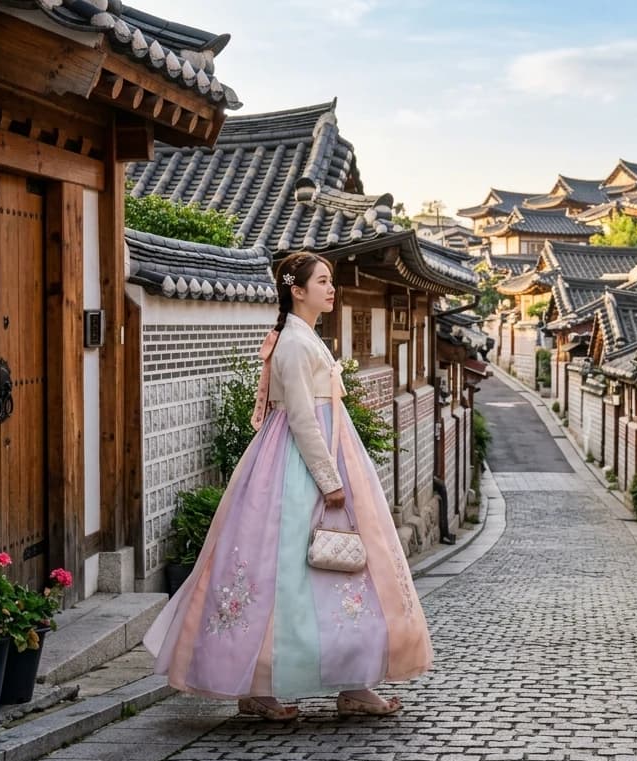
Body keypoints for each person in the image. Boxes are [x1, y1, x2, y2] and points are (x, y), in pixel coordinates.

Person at [143, 251, 433, 720]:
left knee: (342, 571)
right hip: (298, 465)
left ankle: (354, 681)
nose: (331, 288)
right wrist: (328, 480)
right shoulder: (294, 343)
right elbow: (300, 417)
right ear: (297, 291)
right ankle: (258, 686)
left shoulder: (305, 337)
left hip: (326, 452)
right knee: (285, 569)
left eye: (331, 281)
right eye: (322, 281)